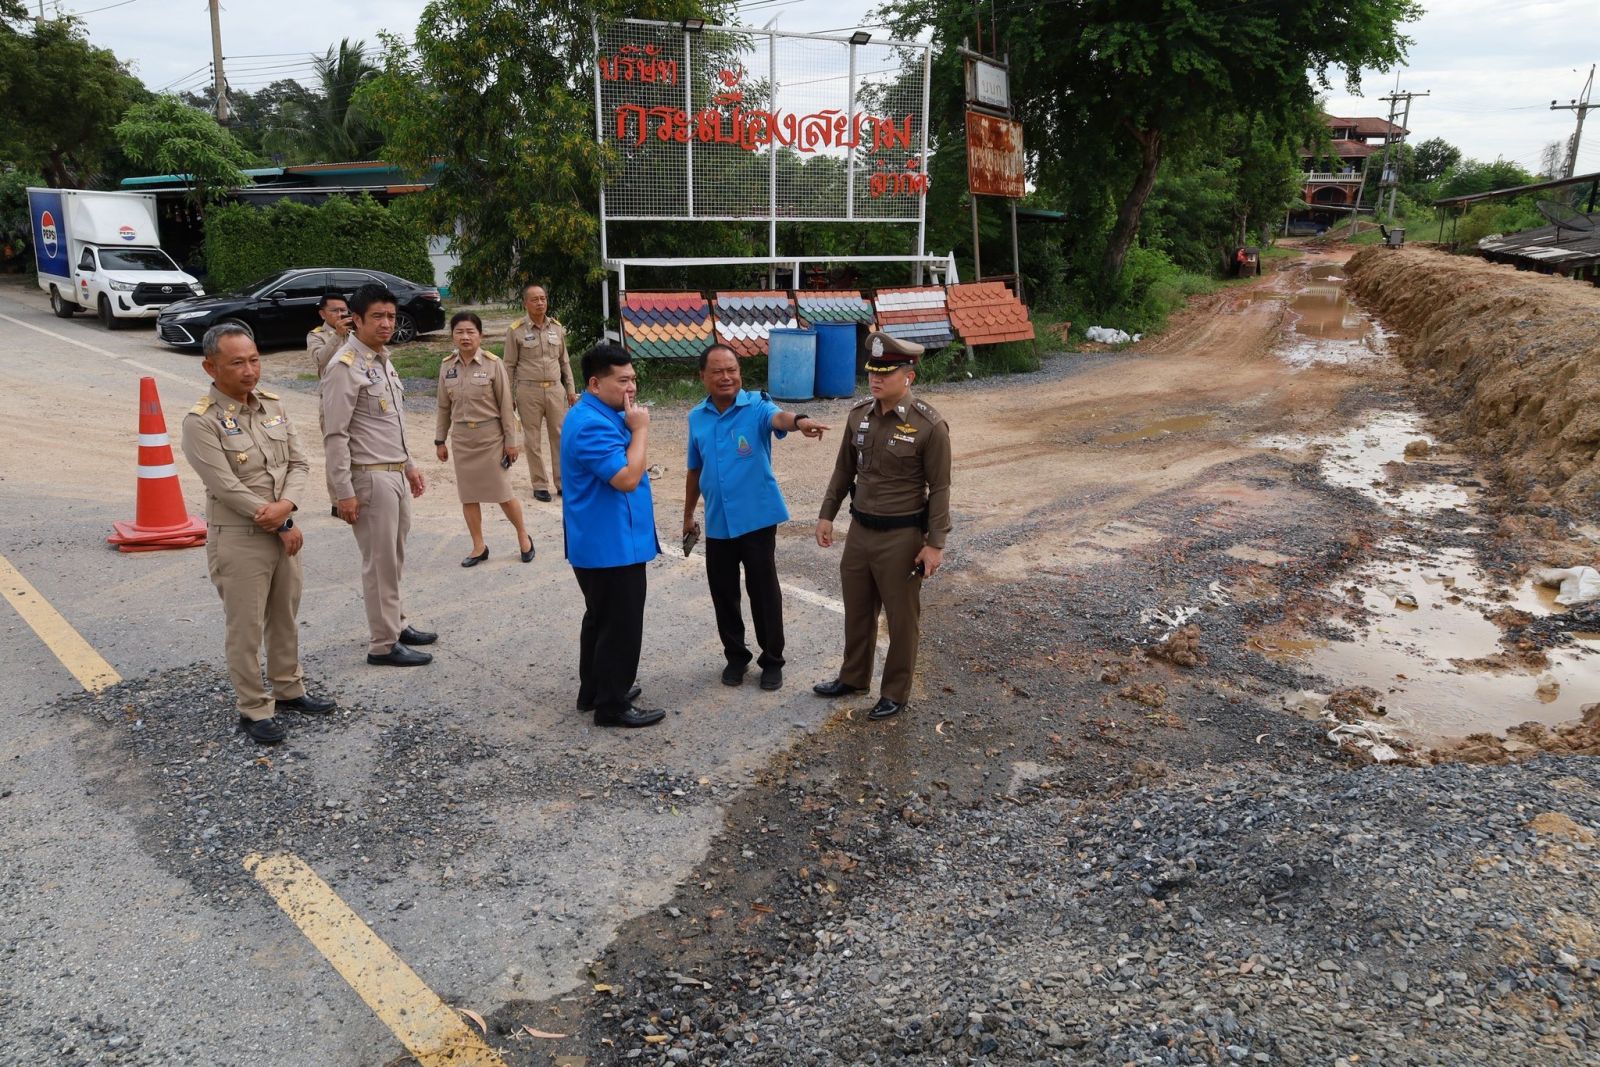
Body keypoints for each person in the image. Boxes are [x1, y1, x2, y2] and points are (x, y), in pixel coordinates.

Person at [181, 323, 335, 744]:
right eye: (237, 363)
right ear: (210, 367)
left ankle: (288, 688)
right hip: (240, 537)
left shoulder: (272, 405)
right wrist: (282, 521)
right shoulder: (201, 422)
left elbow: (299, 463)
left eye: (254, 360)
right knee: (245, 628)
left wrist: (287, 507)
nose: (250, 370)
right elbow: (226, 486)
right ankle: (253, 707)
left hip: (283, 528)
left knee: (285, 616)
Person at [813, 332, 952, 721]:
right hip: (860, 532)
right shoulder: (858, 415)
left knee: (902, 620)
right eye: (872, 371)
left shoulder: (929, 426)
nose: (875, 379)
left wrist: (935, 544)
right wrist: (827, 514)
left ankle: (895, 692)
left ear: (909, 376)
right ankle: (853, 678)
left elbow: (940, 489)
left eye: (885, 373)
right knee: (857, 611)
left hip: (901, 537)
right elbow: (844, 470)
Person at [683, 343, 830, 691]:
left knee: (763, 591)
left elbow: (780, 418)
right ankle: (736, 657)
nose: (726, 377)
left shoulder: (756, 405)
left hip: (758, 519)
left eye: (732, 370)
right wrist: (688, 514)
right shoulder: (696, 417)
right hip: (719, 520)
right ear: (702, 376)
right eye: (718, 371)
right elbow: (695, 469)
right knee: (723, 593)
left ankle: (772, 660)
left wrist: (800, 421)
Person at [321, 282, 437, 667]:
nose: (387, 323)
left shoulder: (381, 360)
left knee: (394, 558)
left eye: (391, 316)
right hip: (369, 478)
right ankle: (383, 644)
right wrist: (343, 492)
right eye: (377, 317)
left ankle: (396, 624)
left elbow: (391, 424)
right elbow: (336, 434)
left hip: (394, 473)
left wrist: (409, 465)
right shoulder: (344, 367)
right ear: (356, 319)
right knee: (379, 563)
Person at [560, 342, 665, 728]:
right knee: (620, 625)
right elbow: (626, 478)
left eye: (633, 379)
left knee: (601, 619)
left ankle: (594, 690)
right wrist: (641, 431)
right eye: (622, 381)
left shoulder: (598, 413)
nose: (631, 387)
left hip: (607, 542)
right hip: (610, 546)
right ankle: (612, 705)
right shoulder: (591, 423)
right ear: (594, 383)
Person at [433, 311, 535, 566]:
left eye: (470, 332)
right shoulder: (447, 366)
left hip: (491, 439)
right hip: (462, 440)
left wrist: (511, 442)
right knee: (468, 496)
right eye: (459, 332)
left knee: (503, 493)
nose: (465, 337)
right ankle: (478, 546)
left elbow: (505, 406)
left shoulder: (493, 364)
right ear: (452, 336)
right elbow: (443, 407)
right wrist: (439, 440)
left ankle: (523, 536)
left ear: (480, 335)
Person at [503, 284, 577, 502]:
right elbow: (509, 366)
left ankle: (562, 483)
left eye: (543, 298)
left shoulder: (557, 328)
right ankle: (539, 484)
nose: (540, 303)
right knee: (532, 440)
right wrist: (508, 396)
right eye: (534, 299)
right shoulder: (516, 330)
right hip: (529, 391)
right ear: (525, 303)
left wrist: (570, 389)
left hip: (555, 389)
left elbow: (564, 361)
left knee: (560, 437)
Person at [307, 293, 352, 378]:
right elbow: (319, 359)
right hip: (333, 381)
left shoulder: (355, 331)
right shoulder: (316, 335)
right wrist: (337, 335)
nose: (339, 314)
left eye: (343, 310)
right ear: (322, 314)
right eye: (334, 311)